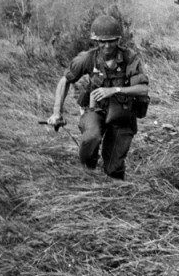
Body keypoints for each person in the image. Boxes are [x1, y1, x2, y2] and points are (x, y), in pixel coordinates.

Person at [47, 15, 149, 180]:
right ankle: (89, 175)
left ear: (118, 40)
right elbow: (65, 80)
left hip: (122, 113)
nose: (107, 46)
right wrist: (56, 112)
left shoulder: (130, 58)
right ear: (96, 41)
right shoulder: (88, 58)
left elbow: (143, 89)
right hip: (95, 109)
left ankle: (113, 195)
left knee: (114, 168)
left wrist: (115, 90)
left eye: (111, 41)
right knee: (91, 139)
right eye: (102, 41)